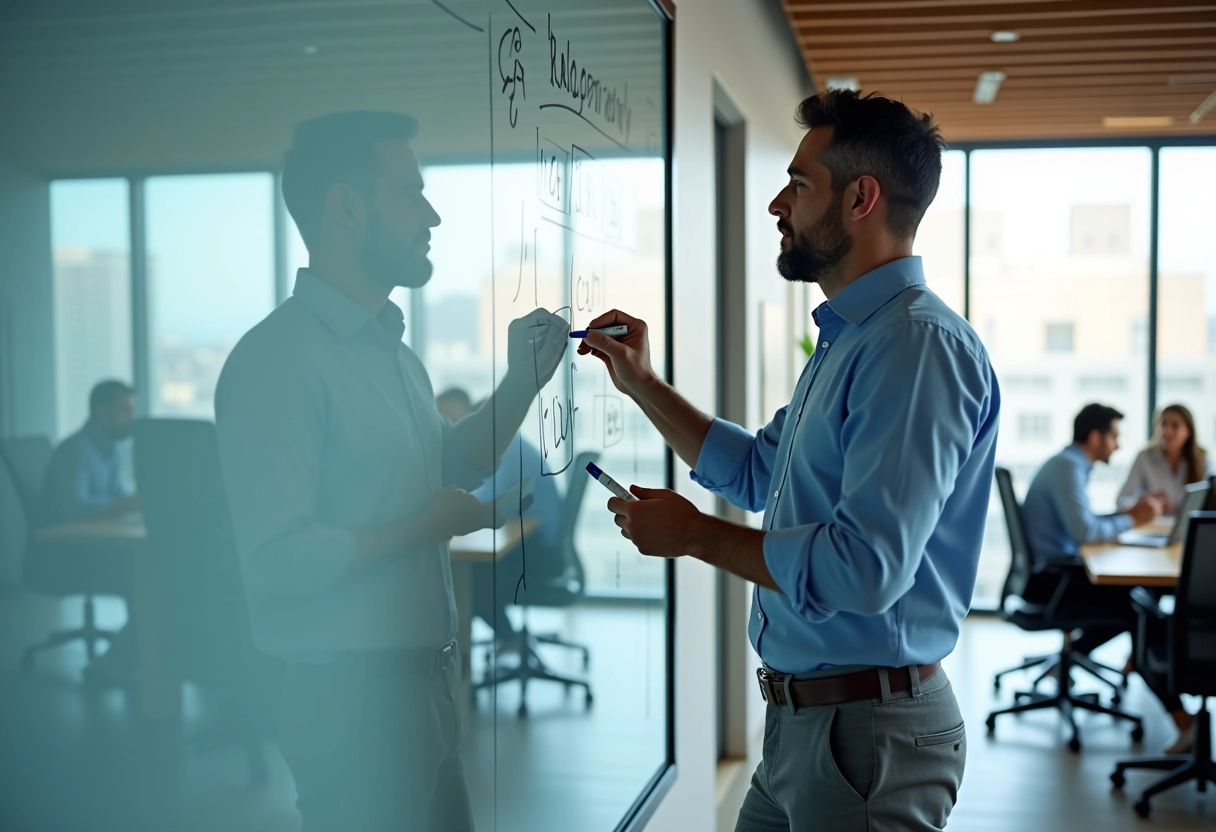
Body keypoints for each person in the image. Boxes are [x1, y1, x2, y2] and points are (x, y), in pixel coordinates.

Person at [579, 89, 999, 831]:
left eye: (800, 185)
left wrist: (694, 537)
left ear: (861, 199)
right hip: (803, 729)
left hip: (866, 739)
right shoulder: (852, 338)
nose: (779, 203)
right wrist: (641, 383)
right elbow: (754, 471)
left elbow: (865, 567)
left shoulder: (913, 346)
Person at [214, 111, 566, 832]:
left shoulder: (392, 352)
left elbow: (451, 460)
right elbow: (276, 561)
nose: (432, 214)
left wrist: (522, 383)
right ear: (345, 207)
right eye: (410, 193)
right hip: (351, 703)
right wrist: (424, 528)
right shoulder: (276, 362)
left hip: (421, 690)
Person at [1020, 404, 1165, 657]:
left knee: (1139, 597)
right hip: (1052, 581)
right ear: (1096, 437)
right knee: (1136, 604)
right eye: (1114, 437)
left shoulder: (1068, 463)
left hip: (1054, 573)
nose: (1117, 446)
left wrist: (1125, 515)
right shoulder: (1068, 467)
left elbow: (1083, 521)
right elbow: (1085, 532)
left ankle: (1072, 657)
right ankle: (1162, 680)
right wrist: (1133, 520)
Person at [435, 387, 562, 634]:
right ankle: (505, 640)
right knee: (468, 575)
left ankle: (505, 641)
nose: (449, 427)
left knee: (468, 581)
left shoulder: (505, 444)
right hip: (539, 544)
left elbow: (488, 498)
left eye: (453, 417)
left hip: (538, 552)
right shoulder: (510, 441)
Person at [37, 379, 140, 528]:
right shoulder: (74, 449)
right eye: (125, 411)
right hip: (68, 541)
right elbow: (74, 507)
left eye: (133, 411)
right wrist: (130, 504)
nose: (132, 419)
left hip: (94, 533)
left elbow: (118, 495)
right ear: (102, 412)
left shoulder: (112, 449)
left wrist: (141, 501)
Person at [1118, 403, 1210, 515]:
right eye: (1163, 424)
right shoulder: (1144, 457)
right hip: (1153, 528)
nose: (1167, 431)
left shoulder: (1203, 458)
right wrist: (1144, 503)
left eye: (1175, 425)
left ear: (1189, 431)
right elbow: (1122, 500)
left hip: (1189, 528)